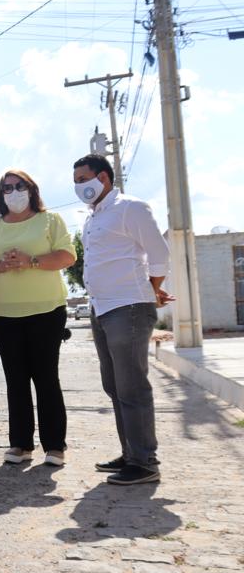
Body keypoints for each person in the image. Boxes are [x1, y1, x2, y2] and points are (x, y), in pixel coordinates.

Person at [73, 154, 174, 485]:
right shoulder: (93, 217)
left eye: (82, 179)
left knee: (132, 386)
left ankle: (145, 462)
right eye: (74, 181)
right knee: (115, 386)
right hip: (101, 308)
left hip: (128, 308)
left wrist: (151, 289)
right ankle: (130, 453)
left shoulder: (131, 207)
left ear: (102, 178)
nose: (78, 186)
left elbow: (159, 254)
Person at [0, 169, 76, 467]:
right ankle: (20, 444)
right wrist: (2, 265)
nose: (13, 192)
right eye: (7, 188)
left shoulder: (50, 220)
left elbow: (67, 256)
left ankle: (55, 446)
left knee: (46, 378)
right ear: (0, 194)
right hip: (4, 313)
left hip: (47, 310)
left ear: (31, 189)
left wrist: (31, 261)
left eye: (19, 186)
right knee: (15, 379)